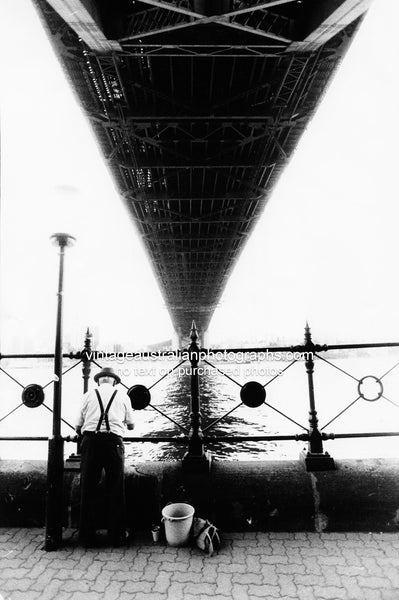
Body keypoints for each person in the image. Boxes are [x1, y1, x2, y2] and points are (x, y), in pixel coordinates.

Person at [75, 367, 134, 547]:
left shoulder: (87, 395)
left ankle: (87, 538)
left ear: (99, 380)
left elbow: (78, 426)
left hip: (91, 442)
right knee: (116, 488)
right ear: (114, 381)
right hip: (113, 443)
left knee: (88, 488)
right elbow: (131, 425)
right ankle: (116, 536)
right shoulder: (123, 396)